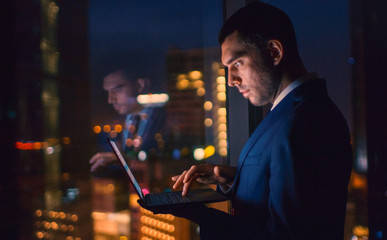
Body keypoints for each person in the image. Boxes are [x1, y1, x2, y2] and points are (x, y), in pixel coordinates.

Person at [139, 2, 353, 239]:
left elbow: (285, 234)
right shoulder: (294, 112)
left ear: (274, 52)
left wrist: (198, 213)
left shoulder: (303, 122)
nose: (231, 80)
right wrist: (231, 178)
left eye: (237, 64)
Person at [90, 68, 165, 174]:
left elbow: (166, 164)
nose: (110, 100)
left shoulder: (165, 120)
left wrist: (124, 161)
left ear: (139, 85)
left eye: (117, 90)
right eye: (108, 92)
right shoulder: (122, 123)